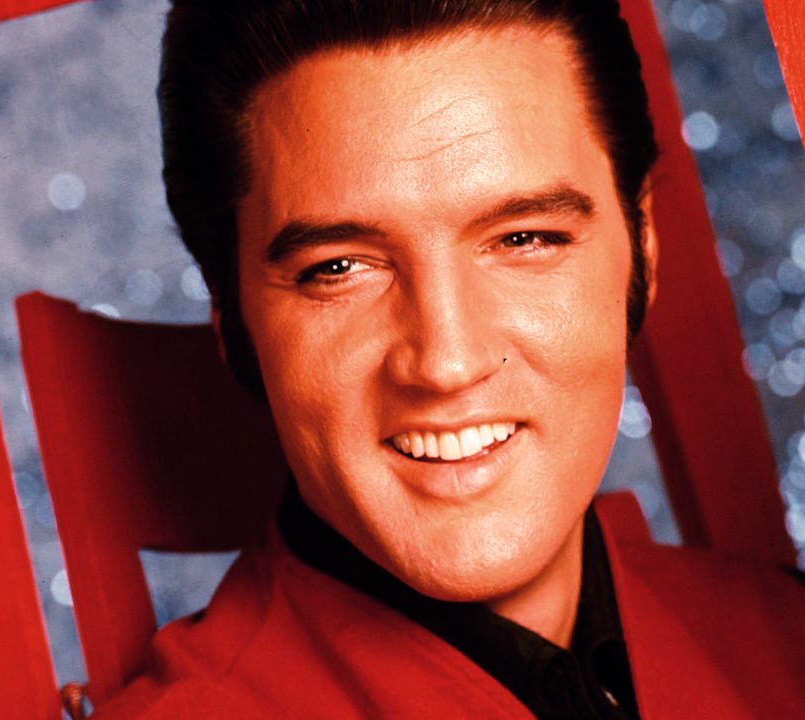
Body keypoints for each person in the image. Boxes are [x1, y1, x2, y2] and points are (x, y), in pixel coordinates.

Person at [90, 1, 805, 718]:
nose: (447, 362)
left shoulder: (784, 628)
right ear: (229, 311)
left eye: (525, 239)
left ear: (641, 243)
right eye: (338, 267)